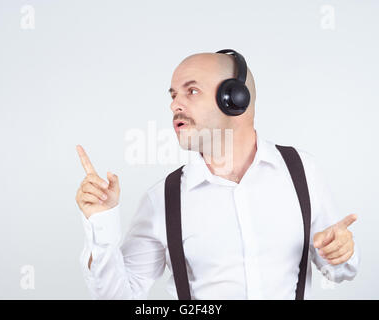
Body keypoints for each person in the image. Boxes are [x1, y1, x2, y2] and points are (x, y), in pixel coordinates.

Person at [75, 50, 359, 299]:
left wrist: (341, 253)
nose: (175, 105)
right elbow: (120, 295)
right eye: (173, 95)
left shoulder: (301, 171)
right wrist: (102, 222)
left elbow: (340, 272)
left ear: (235, 98)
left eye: (191, 91)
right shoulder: (163, 199)